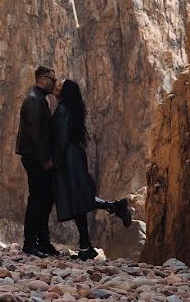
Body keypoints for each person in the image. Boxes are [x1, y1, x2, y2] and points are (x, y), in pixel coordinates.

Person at [52, 79, 132, 260]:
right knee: (79, 198)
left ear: (65, 92)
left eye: (59, 85)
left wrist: (54, 160)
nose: (56, 85)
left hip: (68, 158)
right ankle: (87, 244)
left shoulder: (64, 109)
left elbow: (61, 138)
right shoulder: (71, 108)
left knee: (77, 198)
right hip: (75, 155)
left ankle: (87, 245)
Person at [15, 65, 59, 257]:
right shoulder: (34, 101)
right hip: (35, 159)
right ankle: (30, 244)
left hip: (36, 158)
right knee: (37, 200)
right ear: (42, 80)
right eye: (52, 80)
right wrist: (44, 159)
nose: (54, 84)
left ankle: (42, 242)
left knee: (43, 199)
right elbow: (34, 134)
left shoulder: (38, 99)